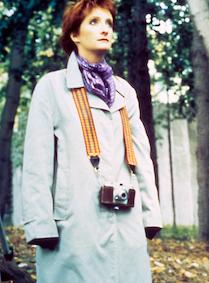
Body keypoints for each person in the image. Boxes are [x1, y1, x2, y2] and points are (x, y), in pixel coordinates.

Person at [21, 0, 162, 282]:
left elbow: (140, 157)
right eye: (94, 22)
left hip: (126, 221)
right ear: (74, 34)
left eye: (109, 23)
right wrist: (40, 224)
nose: (105, 29)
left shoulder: (124, 92)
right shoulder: (52, 87)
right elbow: (37, 162)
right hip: (74, 225)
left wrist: (150, 215)